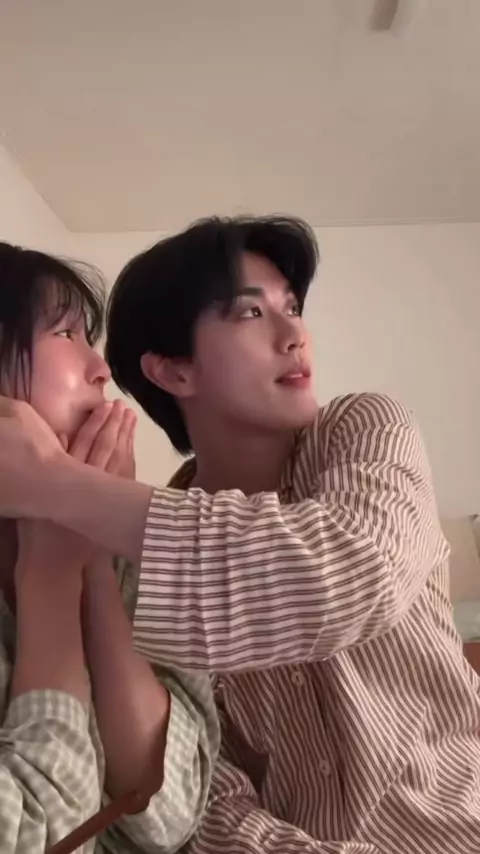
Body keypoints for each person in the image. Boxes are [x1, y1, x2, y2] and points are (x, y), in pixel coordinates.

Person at [0, 217, 479, 854]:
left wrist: (58, 489)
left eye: (293, 307)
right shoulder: (146, 550)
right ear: (174, 371)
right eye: (252, 312)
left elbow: (350, 570)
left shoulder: (365, 429)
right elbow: (207, 811)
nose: (295, 334)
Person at [0, 242, 218, 853]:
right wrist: (50, 575)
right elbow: (42, 835)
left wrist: (91, 556)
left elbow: (170, 815)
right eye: (65, 332)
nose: (101, 370)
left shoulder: (135, 557)